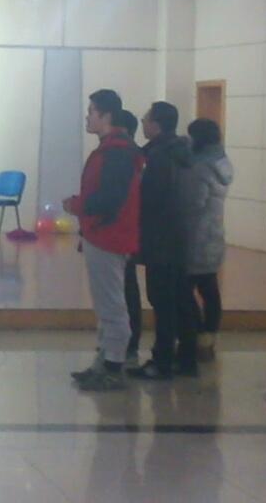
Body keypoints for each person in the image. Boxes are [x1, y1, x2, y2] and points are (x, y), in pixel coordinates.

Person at [64, 90, 144, 392]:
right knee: (105, 303)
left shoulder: (118, 152)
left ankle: (113, 367)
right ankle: (104, 361)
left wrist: (78, 205)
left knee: (112, 304)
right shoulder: (111, 149)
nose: (87, 117)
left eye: (92, 111)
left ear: (106, 115)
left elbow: (111, 199)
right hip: (101, 234)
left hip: (109, 235)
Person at [128, 101, 197, 381]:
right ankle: (187, 358)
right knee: (181, 300)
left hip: (160, 239)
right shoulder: (181, 152)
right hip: (179, 236)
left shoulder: (159, 157)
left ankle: (162, 360)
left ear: (156, 124)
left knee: (163, 301)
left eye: (146, 119)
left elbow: (150, 199)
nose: (142, 122)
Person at [180, 118, 233, 362]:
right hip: (214, 234)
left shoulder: (200, 167)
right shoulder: (222, 163)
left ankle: (195, 336)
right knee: (209, 288)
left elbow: (193, 203)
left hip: (194, 236)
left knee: (183, 290)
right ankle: (208, 340)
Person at [113, 109, 145, 365]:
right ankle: (119, 344)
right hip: (121, 233)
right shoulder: (128, 154)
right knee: (120, 290)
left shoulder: (128, 156)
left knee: (125, 291)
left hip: (123, 234)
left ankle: (126, 345)